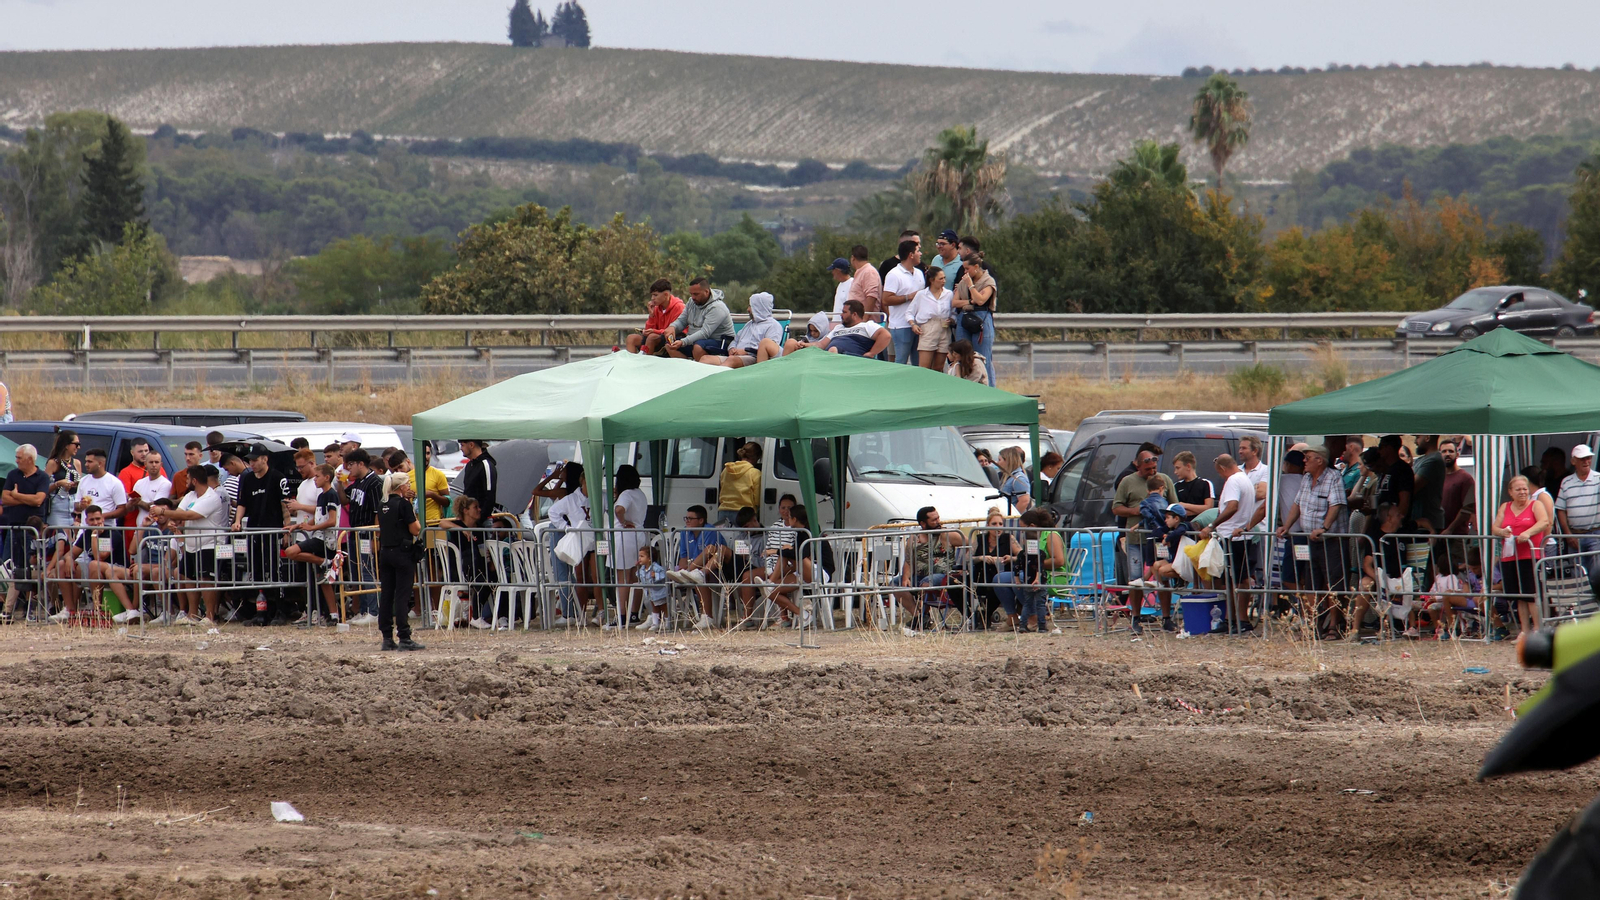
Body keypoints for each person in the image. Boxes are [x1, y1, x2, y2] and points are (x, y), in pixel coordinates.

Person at [1276, 445, 1349, 638]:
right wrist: (1286, 525)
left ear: (1320, 460)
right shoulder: (1307, 478)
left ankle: (1334, 625)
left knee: (1333, 583)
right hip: (1310, 539)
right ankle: (1314, 624)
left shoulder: (1333, 477)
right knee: (1311, 582)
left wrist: (1324, 527)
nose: (1304, 461)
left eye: (1308, 457)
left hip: (1331, 540)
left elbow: (1336, 504)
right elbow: (1297, 504)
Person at [1111, 447, 1178, 632]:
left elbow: (1175, 506)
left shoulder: (1164, 480)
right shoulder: (1127, 481)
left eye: (1154, 468)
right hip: (1136, 539)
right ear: (1137, 465)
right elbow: (1116, 508)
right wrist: (1136, 511)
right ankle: (1136, 618)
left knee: (1162, 576)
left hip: (1159, 540)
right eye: (1148, 469)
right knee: (1135, 579)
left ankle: (1166, 618)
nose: (1152, 472)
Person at [151, 464, 225, 626]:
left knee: (206, 579)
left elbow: (190, 514)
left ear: (195, 480)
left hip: (209, 544)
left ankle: (210, 616)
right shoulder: (190, 495)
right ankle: (193, 614)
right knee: (188, 577)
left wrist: (163, 512)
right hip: (192, 544)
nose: (185, 481)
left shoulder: (211, 497)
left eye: (188, 478)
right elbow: (180, 513)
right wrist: (173, 522)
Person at [233, 444, 290, 626]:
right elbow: (242, 503)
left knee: (275, 570)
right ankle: (261, 611)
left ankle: (280, 609)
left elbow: (285, 506)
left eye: (255, 460)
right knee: (256, 570)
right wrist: (237, 521)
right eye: (250, 460)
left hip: (273, 530)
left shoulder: (277, 477)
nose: (252, 464)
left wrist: (286, 529)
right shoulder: (248, 479)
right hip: (254, 530)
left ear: (265, 459)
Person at [534, 462, 595, 626]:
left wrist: (553, 477)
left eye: (564, 471)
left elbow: (537, 491)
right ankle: (573, 611)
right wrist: (559, 479)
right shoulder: (568, 492)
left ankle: (569, 613)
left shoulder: (565, 493)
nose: (561, 472)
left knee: (563, 573)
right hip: (573, 532)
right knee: (575, 574)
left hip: (562, 533)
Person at [1201, 453, 1257, 633]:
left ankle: (1235, 619)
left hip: (1233, 537)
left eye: (1220, 473)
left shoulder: (1233, 481)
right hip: (1240, 536)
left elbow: (1232, 506)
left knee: (1233, 581)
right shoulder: (1245, 479)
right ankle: (1236, 619)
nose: (1221, 477)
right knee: (1237, 580)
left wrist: (1212, 525)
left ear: (1223, 469)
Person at [282, 463, 341, 625]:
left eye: (317, 476)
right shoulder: (322, 496)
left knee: (290, 552)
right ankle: (333, 614)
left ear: (327, 478)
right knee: (322, 579)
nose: (314, 479)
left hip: (325, 540)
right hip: (318, 537)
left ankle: (323, 561)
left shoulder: (331, 495)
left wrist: (312, 527)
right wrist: (297, 525)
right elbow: (318, 517)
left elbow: (331, 520)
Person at [1493, 474, 1551, 636]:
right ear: (1510, 492)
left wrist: (1527, 533)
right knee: (1519, 596)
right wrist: (1502, 532)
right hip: (1510, 556)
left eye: (1525, 489)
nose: (1522, 492)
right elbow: (1495, 527)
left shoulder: (1535, 504)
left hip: (1530, 556)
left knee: (1531, 594)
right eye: (1518, 489)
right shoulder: (1505, 506)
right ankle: (1524, 631)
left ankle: (1538, 629)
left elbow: (1544, 522)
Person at [375, 472, 424, 651]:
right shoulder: (403, 504)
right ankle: (404, 636)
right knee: (402, 595)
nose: (410, 486)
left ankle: (387, 637)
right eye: (408, 483)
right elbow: (415, 529)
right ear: (402, 486)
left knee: (387, 595)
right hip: (402, 553)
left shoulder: (383, 504)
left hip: (385, 552)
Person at [895, 506, 966, 629]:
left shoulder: (946, 535)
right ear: (923, 523)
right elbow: (908, 560)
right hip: (918, 574)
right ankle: (920, 617)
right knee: (895, 583)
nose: (938, 521)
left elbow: (972, 544)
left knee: (926, 582)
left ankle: (922, 617)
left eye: (938, 518)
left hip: (943, 576)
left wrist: (964, 565)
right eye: (934, 520)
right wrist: (905, 577)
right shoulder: (914, 538)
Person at [663, 504, 727, 632]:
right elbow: (683, 557)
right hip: (696, 569)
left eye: (690, 519)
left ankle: (707, 616)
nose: (686, 521)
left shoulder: (710, 530)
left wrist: (688, 570)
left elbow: (710, 552)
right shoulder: (685, 532)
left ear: (701, 520)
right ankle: (657, 617)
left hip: (718, 569)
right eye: (685, 518)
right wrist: (685, 568)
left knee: (699, 575)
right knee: (661, 577)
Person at [1, 444, 47, 615]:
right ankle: (8, 609)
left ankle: (31, 605)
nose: (16, 461)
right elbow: (5, 499)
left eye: (19, 458)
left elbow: (38, 501)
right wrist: (23, 498)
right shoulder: (13, 474)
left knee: (31, 567)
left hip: (31, 530)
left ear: (29, 459)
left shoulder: (42, 477)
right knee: (12, 567)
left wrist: (16, 495)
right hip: (14, 527)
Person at [343, 448, 383, 626]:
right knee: (358, 573)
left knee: (368, 572)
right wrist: (339, 483)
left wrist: (376, 536)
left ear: (361, 464)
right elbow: (345, 500)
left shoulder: (374, 482)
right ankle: (365, 610)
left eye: (350, 464)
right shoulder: (357, 483)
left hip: (367, 533)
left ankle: (374, 612)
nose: (348, 468)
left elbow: (377, 511)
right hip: (354, 532)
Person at [610, 465, 652, 630]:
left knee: (622, 578)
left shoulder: (626, 494)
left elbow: (620, 509)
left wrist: (622, 521)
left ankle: (621, 616)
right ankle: (634, 613)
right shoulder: (640, 494)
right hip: (639, 535)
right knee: (635, 577)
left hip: (625, 536)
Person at [1011, 507, 1064, 633]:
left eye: (1023, 528)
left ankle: (1034, 618)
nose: (1022, 532)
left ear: (1032, 526)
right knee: (1003, 578)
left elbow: (1059, 560)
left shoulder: (1051, 535)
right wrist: (1017, 560)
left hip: (1052, 575)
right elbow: (1030, 559)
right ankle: (1012, 617)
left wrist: (1034, 564)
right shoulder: (1032, 538)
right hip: (1034, 573)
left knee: (1023, 578)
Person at [1556, 444, 1600, 593]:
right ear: (1574, 461)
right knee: (1577, 576)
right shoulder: (1566, 482)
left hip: (1595, 534)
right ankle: (1584, 612)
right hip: (1575, 535)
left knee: (1596, 573)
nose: (1586, 461)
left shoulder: (1598, 479)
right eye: (1582, 459)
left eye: (1588, 458)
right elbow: (1561, 510)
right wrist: (1568, 535)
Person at [700, 291, 784, 368]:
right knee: (705, 359)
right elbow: (736, 340)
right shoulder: (749, 324)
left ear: (759, 308)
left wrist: (746, 352)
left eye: (750, 306)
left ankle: (716, 381)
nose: (748, 309)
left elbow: (769, 350)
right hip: (735, 356)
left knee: (731, 361)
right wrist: (732, 349)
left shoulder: (773, 326)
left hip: (754, 358)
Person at [951, 253, 997, 386]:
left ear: (976, 267)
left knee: (983, 358)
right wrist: (970, 302)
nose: (965, 272)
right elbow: (955, 302)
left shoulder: (988, 281)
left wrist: (971, 286)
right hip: (964, 318)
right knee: (962, 356)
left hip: (981, 318)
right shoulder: (963, 281)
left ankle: (989, 389)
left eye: (967, 269)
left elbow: (981, 300)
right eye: (963, 269)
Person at [666, 277, 737, 360]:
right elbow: (682, 321)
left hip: (719, 342)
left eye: (696, 294)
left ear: (706, 292)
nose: (693, 297)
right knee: (669, 345)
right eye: (691, 294)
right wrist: (672, 327)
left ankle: (701, 370)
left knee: (698, 347)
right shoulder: (691, 301)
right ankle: (687, 367)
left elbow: (705, 333)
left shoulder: (717, 307)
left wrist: (683, 342)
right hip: (696, 340)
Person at [881, 238, 926, 365]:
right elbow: (886, 299)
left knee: (918, 363)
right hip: (901, 325)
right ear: (911, 255)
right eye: (918, 251)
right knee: (901, 361)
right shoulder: (894, 274)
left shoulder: (919, 273)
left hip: (918, 324)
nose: (920, 254)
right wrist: (908, 297)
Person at [971, 507, 1017, 629]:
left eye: (1001, 524)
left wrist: (1010, 558)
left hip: (1001, 574)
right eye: (994, 523)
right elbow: (967, 558)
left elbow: (1021, 556)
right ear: (987, 525)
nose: (998, 527)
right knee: (955, 585)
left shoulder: (1009, 538)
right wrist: (981, 557)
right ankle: (971, 616)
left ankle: (984, 615)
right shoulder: (980, 539)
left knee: (997, 583)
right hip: (980, 575)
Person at [1437, 437, 1477, 579]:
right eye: (1444, 451)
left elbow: (1468, 508)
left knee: (1457, 574)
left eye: (1450, 451)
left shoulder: (1465, 478)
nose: (1447, 454)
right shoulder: (1438, 477)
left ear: (1457, 454)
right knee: (1440, 574)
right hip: (1438, 534)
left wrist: (1451, 529)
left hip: (1457, 536)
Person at [625, 278, 684, 355]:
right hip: (658, 337)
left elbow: (674, 331)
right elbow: (649, 329)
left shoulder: (678, 307)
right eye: (652, 295)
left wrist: (654, 331)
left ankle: (646, 364)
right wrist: (651, 315)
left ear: (666, 295)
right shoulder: (657, 308)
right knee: (631, 338)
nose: (652, 298)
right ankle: (631, 364)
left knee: (651, 337)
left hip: (672, 338)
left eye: (655, 295)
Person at [910, 266, 953, 370]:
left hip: (944, 328)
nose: (944, 281)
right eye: (940, 279)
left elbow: (954, 312)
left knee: (939, 367)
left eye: (944, 278)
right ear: (932, 280)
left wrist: (952, 320)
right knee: (924, 366)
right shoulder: (921, 294)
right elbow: (909, 312)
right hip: (928, 327)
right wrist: (913, 325)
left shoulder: (949, 294)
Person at [815, 299, 890, 358]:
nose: (841, 315)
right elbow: (821, 345)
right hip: (832, 354)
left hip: (851, 358)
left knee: (833, 349)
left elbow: (886, 336)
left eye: (844, 312)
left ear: (854, 314)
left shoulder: (867, 325)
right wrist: (805, 345)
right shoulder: (838, 327)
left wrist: (871, 353)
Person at [717, 442, 762, 526]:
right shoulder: (755, 473)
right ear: (757, 457)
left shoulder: (726, 470)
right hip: (744, 515)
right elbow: (757, 499)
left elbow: (722, 488)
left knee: (723, 538)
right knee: (743, 539)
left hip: (723, 512)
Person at [458, 439, 497, 519]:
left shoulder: (486, 465)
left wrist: (480, 518)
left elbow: (490, 495)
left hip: (481, 521)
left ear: (471, 445)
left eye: (462, 445)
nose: (461, 448)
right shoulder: (469, 465)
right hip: (469, 518)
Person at [634, 545, 670, 632]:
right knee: (654, 607)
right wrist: (637, 567)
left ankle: (668, 622)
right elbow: (638, 575)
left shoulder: (656, 568)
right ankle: (655, 623)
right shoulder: (642, 569)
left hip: (659, 592)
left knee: (663, 607)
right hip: (650, 592)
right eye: (639, 556)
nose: (640, 558)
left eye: (642, 556)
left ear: (649, 559)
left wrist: (656, 575)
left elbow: (665, 575)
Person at [1171, 450, 1216, 517]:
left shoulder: (1205, 484)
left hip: (1200, 525)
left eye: (1178, 468)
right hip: (1181, 525)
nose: (1175, 472)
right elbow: (1174, 511)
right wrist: (1197, 510)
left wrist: (1184, 505)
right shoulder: (1176, 486)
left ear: (1188, 466)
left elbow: (1208, 508)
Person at [846, 244, 882, 315]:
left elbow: (872, 296)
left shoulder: (869, 272)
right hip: (857, 320)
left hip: (865, 322)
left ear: (853, 258)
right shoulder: (861, 272)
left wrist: (864, 320)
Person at [998, 446, 1032, 514]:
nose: (997, 463)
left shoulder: (1019, 478)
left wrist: (1012, 517)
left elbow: (1024, 501)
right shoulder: (1009, 477)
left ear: (1008, 461)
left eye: (999, 460)